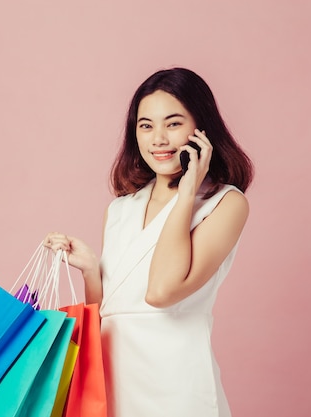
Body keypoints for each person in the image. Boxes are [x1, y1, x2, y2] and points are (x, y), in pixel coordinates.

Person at [44, 67, 254, 417]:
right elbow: (109, 317)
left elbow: (161, 291)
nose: (158, 139)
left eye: (173, 124)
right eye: (146, 125)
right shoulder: (121, 209)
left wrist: (187, 192)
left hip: (175, 385)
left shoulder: (225, 203)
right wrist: (92, 272)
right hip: (113, 384)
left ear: (202, 129)